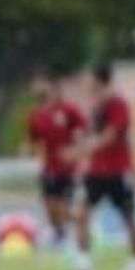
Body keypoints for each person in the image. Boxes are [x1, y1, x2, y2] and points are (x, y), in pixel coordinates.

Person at [68, 63, 135, 270]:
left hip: (118, 170)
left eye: (90, 78)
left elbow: (110, 137)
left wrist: (84, 148)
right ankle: (84, 264)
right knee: (82, 213)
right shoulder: (96, 106)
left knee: (129, 217)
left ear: (100, 80)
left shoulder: (118, 104)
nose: (87, 82)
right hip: (97, 171)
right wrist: (82, 144)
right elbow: (93, 135)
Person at [24, 70, 85, 248]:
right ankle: (62, 231)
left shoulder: (69, 110)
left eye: (39, 83)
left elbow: (81, 132)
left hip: (67, 168)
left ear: (50, 85)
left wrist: (77, 150)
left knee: (63, 208)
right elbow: (32, 139)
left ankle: (79, 224)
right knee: (49, 208)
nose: (35, 88)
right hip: (48, 168)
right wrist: (27, 149)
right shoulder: (36, 114)